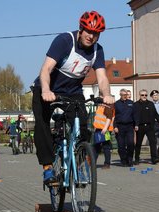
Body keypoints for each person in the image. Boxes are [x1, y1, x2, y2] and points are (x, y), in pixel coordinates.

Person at [32, 11, 114, 185]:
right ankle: (47, 168)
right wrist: (46, 90)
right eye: (88, 32)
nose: (91, 37)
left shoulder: (97, 51)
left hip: (72, 92)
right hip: (47, 89)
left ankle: (79, 164)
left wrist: (106, 94)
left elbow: (102, 77)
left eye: (96, 33)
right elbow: (46, 69)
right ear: (81, 28)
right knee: (42, 124)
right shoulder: (64, 41)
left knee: (83, 126)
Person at [133, 89, 159, 165]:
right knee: (138, 143)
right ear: (139, 96)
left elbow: (156, 114)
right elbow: (134, 116)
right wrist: (135, 125)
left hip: (150, 126)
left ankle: (154, 159)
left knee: (153, 142)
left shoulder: (150, 104)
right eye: (142, 95)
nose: (144, 96)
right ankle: (137, 158)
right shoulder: (136, 104)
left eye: (146, 95)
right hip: (140, 126)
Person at [114, 89, 135, 166]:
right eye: (123, 95)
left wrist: (136, 125)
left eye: (126, 95)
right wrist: (115, 126)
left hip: (129, 126)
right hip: (120, 126)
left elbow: (134, 115)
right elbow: (114, 116)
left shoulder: (131, 103)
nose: (125, 96)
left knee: (131, 143)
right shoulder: (116, 104)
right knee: (121, 145)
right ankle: (123, 160)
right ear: (120, 95)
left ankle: (130, 159)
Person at [93, 99, 115, 169]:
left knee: (106, 147)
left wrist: (105, 128)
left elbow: (109, 118)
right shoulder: (101, 106)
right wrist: (95, 127)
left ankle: (107, 164)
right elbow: (98, 118)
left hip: (105, 130)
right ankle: (93, 163)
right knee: (96, 147)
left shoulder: (108, 106)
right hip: (99, 128)